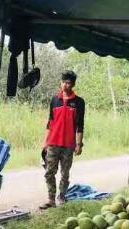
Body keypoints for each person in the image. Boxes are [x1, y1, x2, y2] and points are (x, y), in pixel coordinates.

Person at [40, 70, 85, 209]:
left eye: (68, 83)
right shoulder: (54, 100)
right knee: (49, 172)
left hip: (68, 144)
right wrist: (45, 142)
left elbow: (80, 125)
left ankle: (62, 196)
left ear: (73, 85)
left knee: (65, 173)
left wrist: (79, 144)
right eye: (63, 82)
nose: (65, 85)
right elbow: (50, 122)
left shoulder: (79, 102)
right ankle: (51, 199)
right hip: (53, 142)